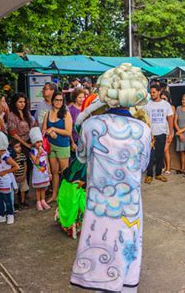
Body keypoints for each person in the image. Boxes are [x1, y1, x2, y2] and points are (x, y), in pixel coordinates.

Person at [70, 66, 151, 292]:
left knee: (99, 254)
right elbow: (143, 166)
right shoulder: (143, 129)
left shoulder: (91, 125)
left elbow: (82, 157)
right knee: (127, 253)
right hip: (130, 205)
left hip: (100, 205)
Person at [42, 91, 72, 203]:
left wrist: (54, 129)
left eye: (61, 100)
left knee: (64, 172)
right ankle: (55, 194)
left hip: (63, 146)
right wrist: (49, 132)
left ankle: (65, 196)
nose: (59, 102)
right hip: (51, 145)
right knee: (54, 171)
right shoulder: (48, 113)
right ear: (52, 101)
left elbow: (68, 132)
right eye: (57, 100)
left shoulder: (66, 114)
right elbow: (44, 130)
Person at [144, 84, 174, 184]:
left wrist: (170, 133)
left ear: (159, 92)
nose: (152, 94)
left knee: (160, 155)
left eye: (154, 92)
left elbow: (170, 119)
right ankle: (149, 175)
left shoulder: (166, 105)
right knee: (150, 156)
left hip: (162, 133)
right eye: (151, 92)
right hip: (150, 135)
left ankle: (158, 174)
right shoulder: (147, 105)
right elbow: (145, 120)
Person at [0, 131, 19, 225]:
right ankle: (2, 214)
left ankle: (10, 214)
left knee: (8, 200)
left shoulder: (6, 157)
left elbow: (16, 166)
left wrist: (5, 172)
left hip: (5, 181)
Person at [29, 127, 51, 211]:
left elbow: (47, 162)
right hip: (37, 174)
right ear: (34, 143)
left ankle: (43, 201)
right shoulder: (32, 152)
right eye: (37, 142)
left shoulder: (44, 151)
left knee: (44, 188)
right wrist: (38, 154)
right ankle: (38, 202)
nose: (40, 144)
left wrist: (49, 172)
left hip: (44, 173)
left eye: (41, 141)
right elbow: (36, 162)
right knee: (38, 189)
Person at [11, 140, 29, 208]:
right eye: (16, 147)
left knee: (23, 189)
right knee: (15, 190)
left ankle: (22, 201)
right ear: (13, 149)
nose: (19, 148)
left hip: (23, 176)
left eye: (19, 146)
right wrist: (14, 177)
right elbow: (12, 167)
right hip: (16, 177)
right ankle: (15, 203)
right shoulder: (13, 158)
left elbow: (25, 165)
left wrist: (24, 174)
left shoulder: (22, 155)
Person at [160, 91, 175, 175]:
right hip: (161, 129)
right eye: (161, 98)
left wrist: (170, 133)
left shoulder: (171, 107)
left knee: (166, 149)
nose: (163, 100)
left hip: (169, 130)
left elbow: (171, 118)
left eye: (164, 98)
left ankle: (168, 167)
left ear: (168, 99)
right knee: (162, 150)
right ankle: (164, 167)